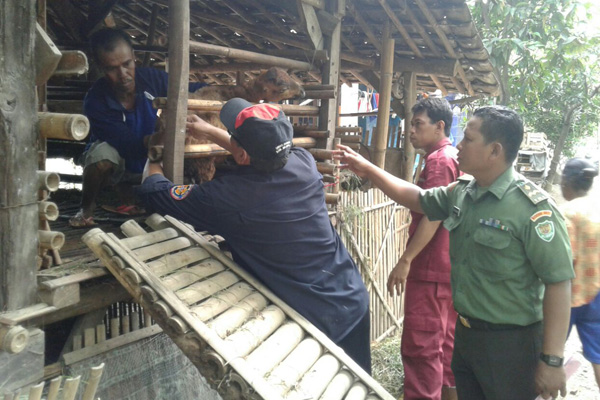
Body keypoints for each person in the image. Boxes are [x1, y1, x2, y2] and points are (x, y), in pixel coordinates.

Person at [334, 105, 574, 400]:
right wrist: (368, 168)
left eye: (469, 139)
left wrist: (552, 360)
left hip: (511, 344)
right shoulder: (464, 192)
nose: (459, 145)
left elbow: (559, 282)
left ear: (494, 151)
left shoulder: (533, 210)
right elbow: (418, 198)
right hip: (467, 335)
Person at [137, 98, 371, 373]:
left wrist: (154, 158)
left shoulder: (228, 198)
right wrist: (211, 131)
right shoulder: (303, 162)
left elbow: (155, 192)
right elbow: (262, 154)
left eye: (234, 136)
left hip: (315, 323)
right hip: (352, 298)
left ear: (242, 154)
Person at [69, 28, 205, 227]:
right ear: (100, 67)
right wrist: (159, 138)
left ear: (134, 57)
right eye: (112, 68)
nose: (123, 74)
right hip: (120, 158)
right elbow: (126, 143)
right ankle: (86, 208)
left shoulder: (151, 79)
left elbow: (188, 89)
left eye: (127, 64)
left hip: (150, 153)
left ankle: (149, 199)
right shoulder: (96, 100)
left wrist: (226, 92)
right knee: (100, 156)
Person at [386, 98, 460, 400]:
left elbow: (434, 213)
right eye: (410, 125)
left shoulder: (440, 161)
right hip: (447, 267)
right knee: (445, 346)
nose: (411, 132)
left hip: (431, 269)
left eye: (418, 125)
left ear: (439, 126)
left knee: (422, 348)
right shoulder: (451, 156)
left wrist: (406, 259)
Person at [560, 158, 600, 390]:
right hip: (596, 294)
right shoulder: (597, 208)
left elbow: (563, 262)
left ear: (565, 181)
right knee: (598, 357)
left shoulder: (566, 213)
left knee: (549, 357)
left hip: (567, 299)